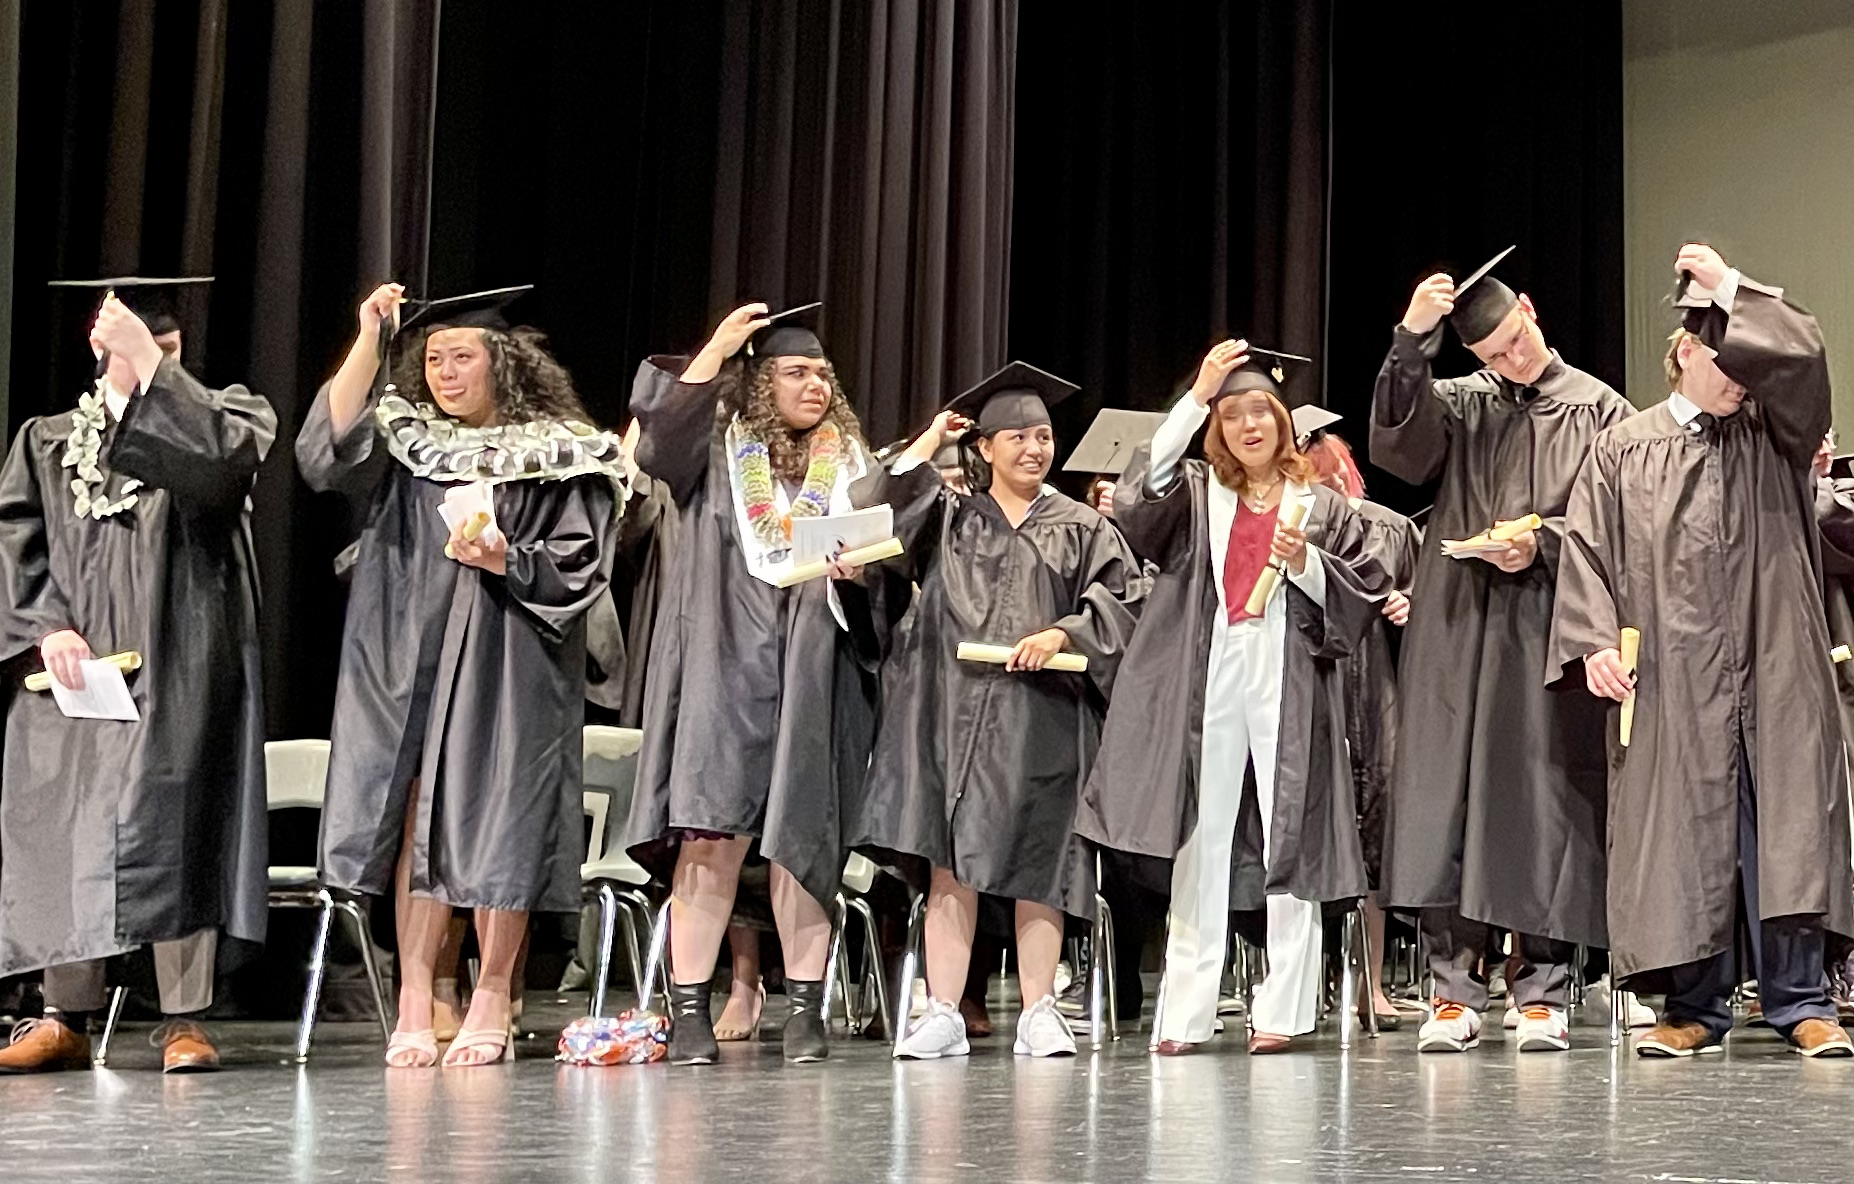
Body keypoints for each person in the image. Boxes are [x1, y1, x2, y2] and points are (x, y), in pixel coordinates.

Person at [300, 282, 622, 1069]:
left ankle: (492, 995)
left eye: (462, 357)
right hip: (408, 649)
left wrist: (507, 558)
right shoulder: (411, 443)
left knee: (503, 820)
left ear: (502, 362)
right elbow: (324, 451)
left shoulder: (561, 450)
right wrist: (370, 339)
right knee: (414, 818)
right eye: (434, 359)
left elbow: (582, 560)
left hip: (512, 654)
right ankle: (415, 998)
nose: (444, 373)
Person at [1549, 245, 1854, 1058]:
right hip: (1671, 670)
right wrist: (1592, 643)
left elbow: (1806, 358)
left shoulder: (1776, 434)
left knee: (1789, 830)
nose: (1742, 380)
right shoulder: (1623, 447)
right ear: (1686, 351)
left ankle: (1802, 1002)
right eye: (1728, 361)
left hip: (1776, 656)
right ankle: (1693, 1008)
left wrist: (1731, 287)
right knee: (1684, 832)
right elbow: (1586, 550)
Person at [1078, 340, 1389, 1054]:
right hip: (1212, 665)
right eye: (1233, 414)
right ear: (1217, 427)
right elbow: (1143, 489)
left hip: (1289, 669)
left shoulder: (1321, 506)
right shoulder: (1197, 494)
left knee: (1291, 831)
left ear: (1283, 422)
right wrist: (1196, 395)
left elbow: (1363, 593)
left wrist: (1307, 564)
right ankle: (1185, 1010)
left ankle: (1284, 1008)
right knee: (1202, 831)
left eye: (1262, 412)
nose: (1250, 425)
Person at [0, 278, 274, 1073]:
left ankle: (185, 1018)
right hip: (74, 673)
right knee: (67, 826)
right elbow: (14, 540)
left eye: (169, 346)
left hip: (179, 659)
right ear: (97, 343)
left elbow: (220, 470)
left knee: (177, 825)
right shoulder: (48, 442)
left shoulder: (227, 417)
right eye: (140, 342)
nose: (158, 355)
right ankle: (62, 1015)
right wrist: (44, 627)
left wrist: (151, 366)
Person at [1373, 249, 1633, 1054]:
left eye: (1516, 341)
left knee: (1542, 800)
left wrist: (1542, 542)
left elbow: (1622, 524)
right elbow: (1401, 449)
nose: (1510, 361)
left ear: (1530, 308)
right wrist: (1411, 340)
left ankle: (1544, 990)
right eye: (1492, 354)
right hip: (1457, 626)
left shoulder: (1599, 409)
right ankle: (1453, 992)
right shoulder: (1462, 403)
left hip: (1547, 625)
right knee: (1447, 799)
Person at [848, 362, 1143, 1060]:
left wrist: (1064, 634)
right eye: (1017, 437)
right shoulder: (949, 516)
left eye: (1043, 437)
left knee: (1043, 860)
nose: (1034, 449)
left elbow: (1124, 600)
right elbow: (873, 515)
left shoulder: (1082, 526)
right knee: (949, 862)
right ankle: (943, 1011)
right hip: (949, 712)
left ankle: (1040, 1010)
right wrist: (929, 441)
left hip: (1043, 715)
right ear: (983, 447)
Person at [623, 302, 880, 1066]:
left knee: (804, 838)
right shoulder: (717, 454)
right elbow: (657, 440)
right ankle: (689, 1010)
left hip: (812, 667)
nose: (816, 385)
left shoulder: (851, 466)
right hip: (720, 664)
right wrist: (717, 351)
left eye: (823, 374)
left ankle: (805, 1008)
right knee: (711, 838)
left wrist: (863, 575)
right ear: (761, 382)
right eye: (797, 372)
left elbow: (888, 567)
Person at [1301, 421, 1419, 1029]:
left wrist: (1409, 605)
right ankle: (1300, 985)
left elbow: (1435, 609)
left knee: (1375, 835)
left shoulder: (1390, 528)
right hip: (1309, 686)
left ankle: (1369, 982)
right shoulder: (1283, 523)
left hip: (1376, 692)